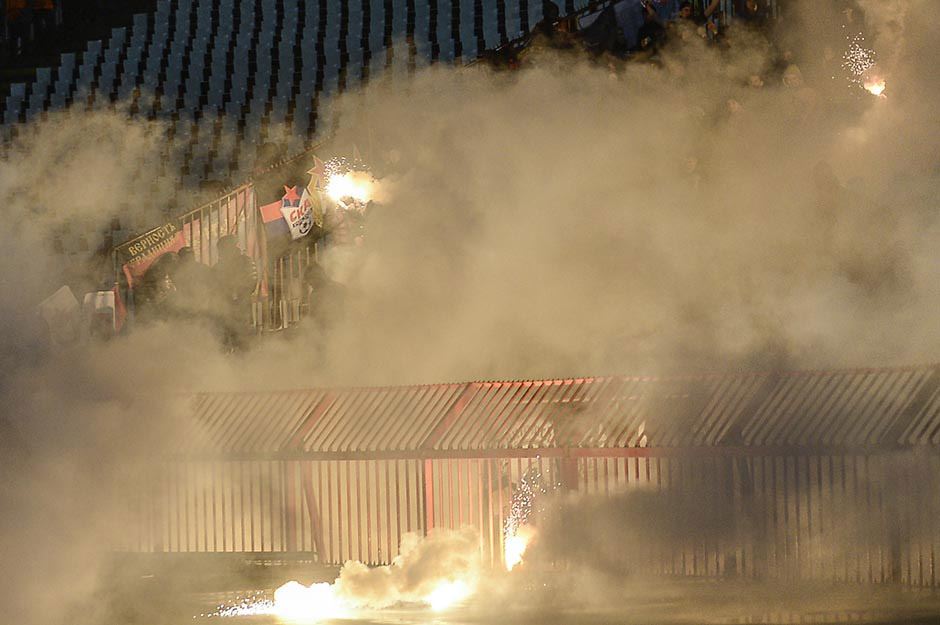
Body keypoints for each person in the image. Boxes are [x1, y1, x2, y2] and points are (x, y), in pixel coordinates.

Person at [213, 236, 257, 348]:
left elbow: (251, 280)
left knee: (242, 335)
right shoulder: (219, 266)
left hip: (241, 305)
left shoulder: (245, 261)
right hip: (223, 306)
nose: (220, 253)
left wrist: (237, 293)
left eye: (222, 249)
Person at [171, 246, 214, 318]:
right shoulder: (175, 272)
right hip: (185, 309)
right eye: (186, 257)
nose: (188, 259)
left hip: (203, 307)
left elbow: (213, 286)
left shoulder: (203, 269)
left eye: (190, 256)